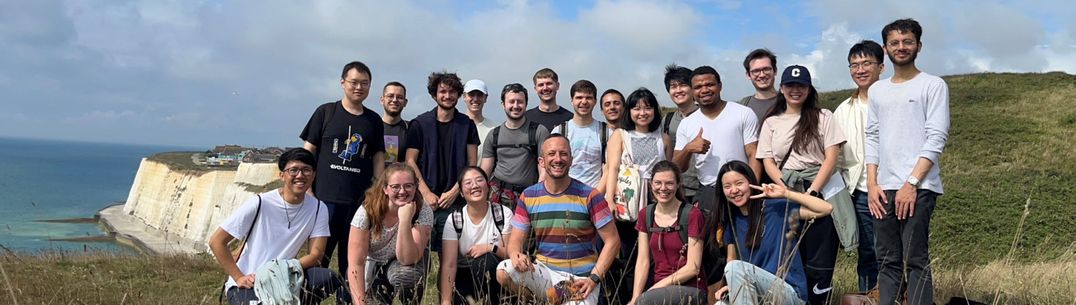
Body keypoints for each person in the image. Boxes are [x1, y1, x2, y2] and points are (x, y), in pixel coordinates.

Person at [866, 18, 950, 305]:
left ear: (918, 46)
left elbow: (936, 137)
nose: (901, 47)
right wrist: (872, 183)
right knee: (887, 260)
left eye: (907, 42)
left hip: (919, 186)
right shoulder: (877, 90)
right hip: (882, 188)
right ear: (885, 48)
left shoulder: (933, 85)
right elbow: (872, 137)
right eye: (895, 43)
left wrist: (911, 183)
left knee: (915, 259)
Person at [758, 65, 852, 305]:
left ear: (809, 89)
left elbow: (831, 157)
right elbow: (768, 161)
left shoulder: (824, 117)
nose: (795, 90)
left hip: (821, 188)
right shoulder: (771, 122)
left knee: (819, 257)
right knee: (789, 254)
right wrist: (784, 189)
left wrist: (813, 190)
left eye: (801, 86)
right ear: (782, 88)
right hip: (785, 188)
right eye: (790, 85)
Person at [208, 148, 346, 305]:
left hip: (287, 277)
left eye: (306, 170)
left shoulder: (318, 209)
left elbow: (316, 256)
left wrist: (282, 269)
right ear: (281, 175)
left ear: (313, 175)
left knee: (326, 278)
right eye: (293, 170)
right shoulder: (260, 203)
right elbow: (216, 241)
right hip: (250, 280)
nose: (300, 175)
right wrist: (238, 277)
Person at [496, 135, 621, 305]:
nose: (558, 159)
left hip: (580, 279)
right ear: (541, 161)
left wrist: (594, 278)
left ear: (571, 160)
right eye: (552, 154)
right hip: (545, 271)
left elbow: (613, 242)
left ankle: (552, 298)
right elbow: (515, 240)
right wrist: (515, 254)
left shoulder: (590, 195)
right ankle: (542, 300)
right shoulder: (529, 196)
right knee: (504, 270)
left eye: (563, 154)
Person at [672, 66, 758, 301]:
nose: (704, 90)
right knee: (712, 254)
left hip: (741, 190)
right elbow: (676, 166)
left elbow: (753, 154)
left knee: (744, 247)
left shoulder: (742, 113)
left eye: (709, 84)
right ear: (692, 91)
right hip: (708, 191)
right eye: (698, 86)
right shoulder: (688, 124)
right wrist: (690, 148)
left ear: (720, 85)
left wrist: (753, 187)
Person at [300, 61, 386, 280]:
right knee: (318, 259)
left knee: (353, 262)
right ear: (342, 83)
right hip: (323, 201)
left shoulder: (374, 120)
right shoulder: (325, 112)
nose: (359, 87)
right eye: (354, 82)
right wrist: (307, 187)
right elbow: (308, 150)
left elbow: (378, 156)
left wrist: (377, 189)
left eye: (364, 83)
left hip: (358, 203)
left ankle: (349, 299)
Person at [714, 161, 833, 305]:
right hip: (757, 293)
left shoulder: (776, 208)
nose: (734, 190)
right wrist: (732, 285)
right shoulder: (731, 220)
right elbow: (731, 261)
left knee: (735, 268)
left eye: (739, 183)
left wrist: (786, 193)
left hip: (789, 293)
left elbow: (826, 208)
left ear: (751, 182)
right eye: (727, 186)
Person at [602, 87, 673, 304]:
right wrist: (609, 199)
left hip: (656, 200)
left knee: (655, 254)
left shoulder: (664, 138)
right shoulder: (620, 135)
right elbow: (612, 168)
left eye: (648, 107)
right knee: (628, 255)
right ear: (629, 111)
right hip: (627, 201)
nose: (642, 113)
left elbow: (668, 170)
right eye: (636, 108)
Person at [404, 71, 481, 253]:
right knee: (419, 256)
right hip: (424, 202)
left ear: (458, 95)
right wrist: (426, 193)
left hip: (455, 202)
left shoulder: (467, 124)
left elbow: (472, 163)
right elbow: (410, 161)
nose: (447, 96)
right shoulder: (419, 124)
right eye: (443, 91)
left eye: (452, 92)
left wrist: (455, 191)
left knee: (453, 257)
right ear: (434, 94)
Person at [833, 40, 885, 292]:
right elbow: (838, 157)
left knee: (900, 252)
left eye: (866, 63)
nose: (860, 70)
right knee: (868, 253)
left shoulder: (893, 101)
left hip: (894, 187)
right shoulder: (843, 110)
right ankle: (868, 297)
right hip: (861, 192)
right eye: (854, 65)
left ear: (881, 67)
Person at [346, 163, 435, 305]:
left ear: (415, 187)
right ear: (385, 189)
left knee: (405, 276)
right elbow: (356, 263)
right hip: (373, 263)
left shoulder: (422, 210)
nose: (402, 191)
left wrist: (405, 221)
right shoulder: (367, 212)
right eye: (395, 187)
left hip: (402, 263)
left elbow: (408, 259)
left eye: (408, 185)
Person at [627, 161, 708, 305]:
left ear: (678, 185)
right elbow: (643, 261)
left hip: (689, 288)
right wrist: (635, 297)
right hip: (657, 290)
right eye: (658, 183)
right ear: (651, 184)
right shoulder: (645, 214)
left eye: (669, 183)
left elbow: (693, 267)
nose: (663, 188)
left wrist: (652, 290)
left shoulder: (692, 214)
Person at [439, 166, 514, 305]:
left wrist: (491, 247)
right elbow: (449, 264)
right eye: (468, 183)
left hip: (497, 272)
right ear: (461, 192)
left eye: (479, 180)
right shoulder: (455, 219)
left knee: (486, 261)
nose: (474, 185)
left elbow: (512, 254)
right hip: (465, 273)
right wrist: (446, 301)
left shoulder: (503, 213)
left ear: (488, 186)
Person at [481, 83, 551, 209]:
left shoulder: (539, 131)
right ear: (503, 104)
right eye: (511, 102)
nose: (515, 106)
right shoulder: (494, 135)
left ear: (526, 104)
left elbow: (544, 168)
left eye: (520, 102)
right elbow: (485, 170)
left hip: (527, 196)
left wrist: (539, 194)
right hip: (496, 195)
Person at [551, 79, 611, 191]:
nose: (584, 102)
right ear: (571, 101)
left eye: (588, 98)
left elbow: (609, 168)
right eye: (579, 97)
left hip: (596, 196)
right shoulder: (559, 131)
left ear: (595, 101)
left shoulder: (607, 132)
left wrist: (596, 197)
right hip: (565, 194)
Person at [660, 64, 701, 203]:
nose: (678, 90)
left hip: (702, 188)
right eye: (673, 86)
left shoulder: (705, 115)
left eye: (683, 85)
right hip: (676, 189)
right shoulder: (668, 119)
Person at [737, 49, 780, 122]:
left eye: (766, 69)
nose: (762, 75)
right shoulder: (742, 107)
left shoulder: (790, 103)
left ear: (775, 71)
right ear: (748, 75)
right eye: (756, 71)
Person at [464, 79, 499, 160]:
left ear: (485, 98)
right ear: (464, 97)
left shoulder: (495, 129)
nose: (475, 99)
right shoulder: (456, 126)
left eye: (479, 95)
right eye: (471, 94)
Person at [381, 81, 410, 164]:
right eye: (390, 96)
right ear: (382, 100)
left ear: (405, 102)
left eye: (399, 97)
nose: (394, 100)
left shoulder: (411, 128)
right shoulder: (373, 126)